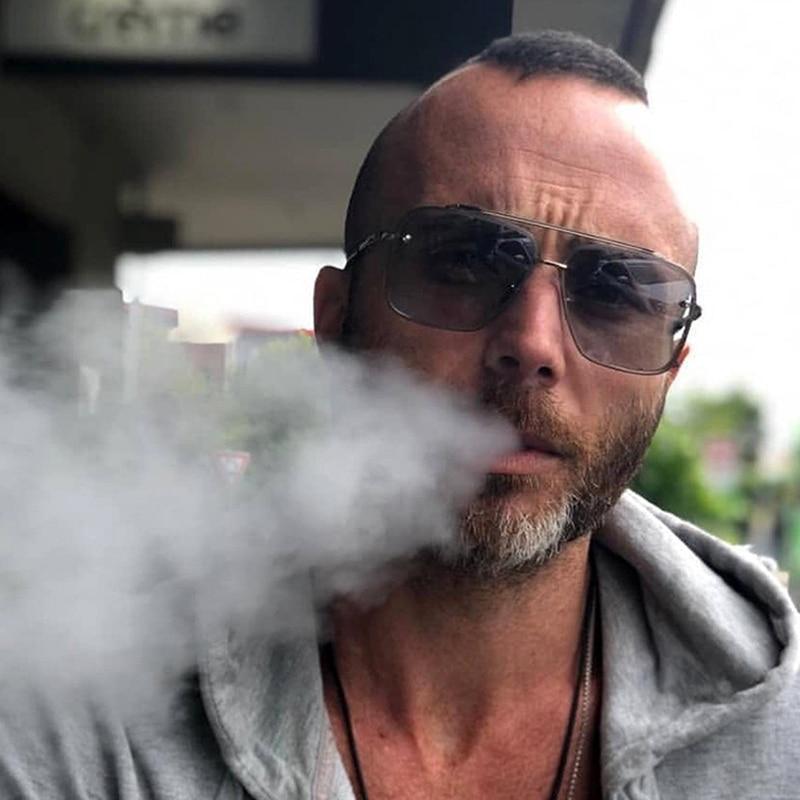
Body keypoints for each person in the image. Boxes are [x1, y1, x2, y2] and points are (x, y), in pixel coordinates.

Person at [0, 30, 797, 800]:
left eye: (617, 290)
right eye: (463, 261)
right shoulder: (86, 711)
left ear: (669, 370)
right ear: (335, 321)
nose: (532, 343)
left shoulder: (781, 732)